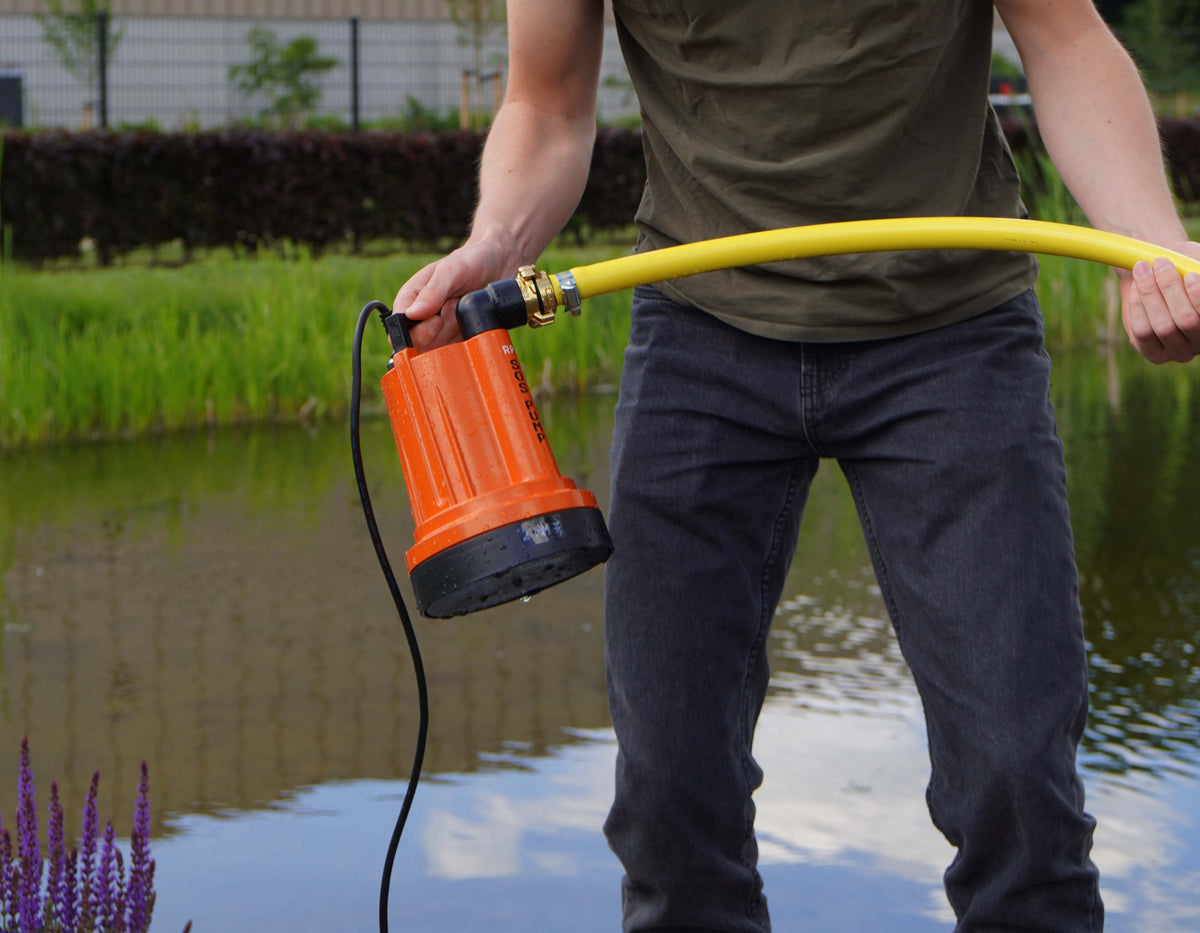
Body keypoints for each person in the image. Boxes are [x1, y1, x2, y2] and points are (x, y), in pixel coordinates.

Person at [395, 1, 1200, 930]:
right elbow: (546, 102)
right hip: (703, 331)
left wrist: (1154, 245)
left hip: (951, 331)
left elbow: (1064, 40)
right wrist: (496, 245)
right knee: (668, 785)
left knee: (1019, 780)